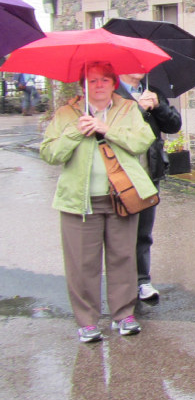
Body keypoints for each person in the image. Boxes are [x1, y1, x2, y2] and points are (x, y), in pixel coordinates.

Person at [40, 61, 157, 342]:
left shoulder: (127, 109)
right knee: (82, 263)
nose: (100, 85)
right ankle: (87, 320)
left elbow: (143, 140)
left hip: (120, 198)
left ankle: (123, 314)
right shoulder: (67, 113)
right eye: (93, 81)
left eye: (105, 79)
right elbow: (49, 153)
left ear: (114, 82)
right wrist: (75, 132)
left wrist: (106, 129)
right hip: (78, 202)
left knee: (123, 257)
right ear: (83, 85)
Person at [116, 73, 182, 302]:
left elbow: (174, 124)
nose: (139, 68)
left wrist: (158, 106)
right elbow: (115, 129)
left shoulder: (152, 91)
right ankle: (122, 284)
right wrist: (140, 111)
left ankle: (142, 280)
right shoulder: (112, 91)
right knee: (119, 233)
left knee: (143, 232)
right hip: (119, 172)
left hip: (148, 171)